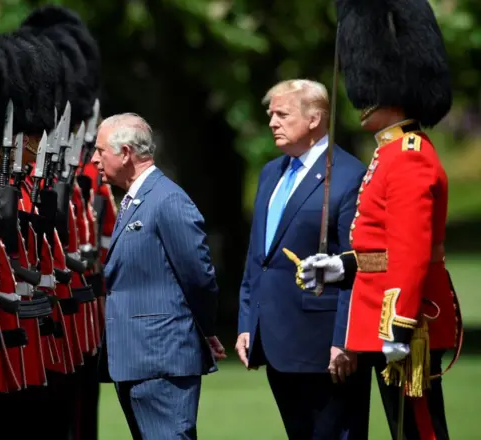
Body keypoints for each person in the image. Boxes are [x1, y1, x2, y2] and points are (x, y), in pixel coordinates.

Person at [296, 1, 461, 439]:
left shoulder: (408, 157)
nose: (362, 102)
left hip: (408, 321)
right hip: (384, 315)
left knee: (420, 430)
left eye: (371, 91)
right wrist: (342, 266)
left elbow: (408, 251)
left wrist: (399, 325)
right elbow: (380, 247)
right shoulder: (390, 152)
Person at [235, 79, 367, 439]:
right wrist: (248, 321)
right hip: (276, 338)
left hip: (325, 344)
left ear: (314, 118)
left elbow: (356, 265)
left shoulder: (348, 176)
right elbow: (258, 256)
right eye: (271, 114)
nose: (272, 122)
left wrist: (346, 339)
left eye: (282, 114)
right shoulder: (270, 173)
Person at [91, 112, 226, 439]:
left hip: (160, 359)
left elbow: (198, 276)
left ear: (125, 153)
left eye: (100, 151)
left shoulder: (167, 200)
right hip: (137, 359)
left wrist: (206, 328)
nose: (94, 159)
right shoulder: (136, 199)